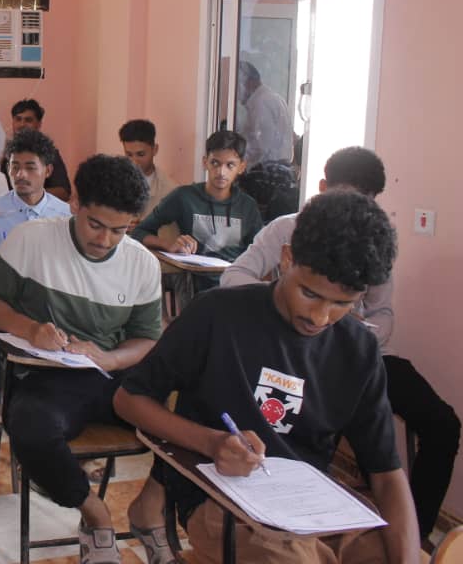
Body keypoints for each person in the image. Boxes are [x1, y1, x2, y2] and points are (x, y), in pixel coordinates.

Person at [116, 190, 420, 564]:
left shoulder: (359, 350)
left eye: (342, 304)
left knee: (396, 553)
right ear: (287, 258)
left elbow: (387, 475)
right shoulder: (218, 315)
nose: (320, 317)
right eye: (310, 293)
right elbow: (129, 399)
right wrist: (212, 442)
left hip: (311, 507)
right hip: (219, 497)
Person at [221, 146, 460, 547]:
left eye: (366, 200)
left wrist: (356, 331)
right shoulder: (287, 229)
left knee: (443, 424)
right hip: (297, 352)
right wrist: (290, 301)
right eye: (347, 195)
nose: (356, 208)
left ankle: (413, 533)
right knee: (313, 426)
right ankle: (307, 519)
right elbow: (234, 278)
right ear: (322, 188)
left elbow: (383, 314)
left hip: (361, 354)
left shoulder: (374, 240)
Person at [0, 154, 162, 564]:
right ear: (75, 204)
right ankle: (94, 514)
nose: (105, 240)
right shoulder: (31, 239)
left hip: (109, 376)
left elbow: (147, 338)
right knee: (30, 427)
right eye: (96, 224)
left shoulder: (142, 263)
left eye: (120, 230)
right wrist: (30, 329)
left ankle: (150, 511)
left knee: (191, 416)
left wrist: (110, 359)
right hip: (44, 376)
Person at [132, 130, 262, 292]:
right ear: (205, 162)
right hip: (194, 286)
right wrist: (169, 245)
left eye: (230, 165)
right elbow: (139, 232)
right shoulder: (184, 197)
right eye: (215, 163)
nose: (221, 172)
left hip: (236, 287)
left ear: (241, 167)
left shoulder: (248, 206)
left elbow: (259, 252)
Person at [0, 129, 70, 268]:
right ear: (8, 168)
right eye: (15, 167)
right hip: (2, 281)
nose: (20, 175)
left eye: (30, 168)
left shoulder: (65, 215)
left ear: (48, 171)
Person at [0, 98, 71, 201]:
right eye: (18, 119)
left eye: (28, 120)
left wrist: (31, 195)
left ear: (39, 124)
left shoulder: (50, 153)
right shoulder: (6, 154)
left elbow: (63, 192)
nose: (22, 124)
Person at [236, 60, 292, 168]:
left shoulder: (261, 103)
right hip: (276, 170)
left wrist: (236, 162)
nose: (236, 92)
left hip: (267, 171)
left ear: (251, 82)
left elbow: (260, 147)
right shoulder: (271, 97)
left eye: (238, 85)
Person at [118, 118, 176, 219]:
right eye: (129, 155)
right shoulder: (114, 184)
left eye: (141, 154)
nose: (134, 162)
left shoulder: (171, 191)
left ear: (155, 150)